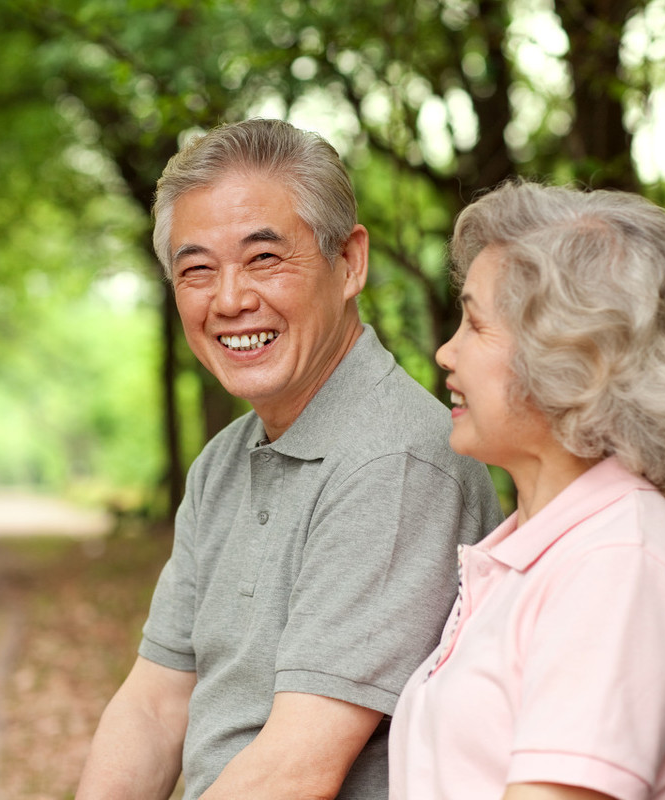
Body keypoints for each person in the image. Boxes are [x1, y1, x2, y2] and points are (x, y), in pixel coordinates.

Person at [76, 118, 502, 800]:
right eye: (196, 270)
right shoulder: (224, 462)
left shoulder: (393, 464)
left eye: (265, 258)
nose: (231, 299)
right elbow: (153, 708)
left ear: (349, 263)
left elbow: (296, 771)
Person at [388, 180, 665, 800]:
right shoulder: (543, 548)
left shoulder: (618, 567)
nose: (447, 352)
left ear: (574, 361)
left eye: (475, 324)